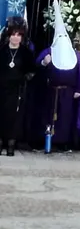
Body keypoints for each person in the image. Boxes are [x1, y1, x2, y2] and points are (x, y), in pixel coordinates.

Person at [36, 0, 80, 150]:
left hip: (68, 93)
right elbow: (36, 67)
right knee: (48, 117)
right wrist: (44, 63)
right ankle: (47, 142)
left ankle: (63, 142)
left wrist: (78, 89)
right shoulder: (49, 51)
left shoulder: (75, 55)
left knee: (65, 118)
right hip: (51, 92)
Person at [0, 16, 35, 155]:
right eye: (13, 34)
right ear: (9, 35)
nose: (15, 37)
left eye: (18, 35)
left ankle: (11, 144)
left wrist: (24, 79)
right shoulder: (1, 50)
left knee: (14, 117)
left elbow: (32, 70)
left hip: (17, 90)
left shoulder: (26, 52)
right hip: (1, 88)